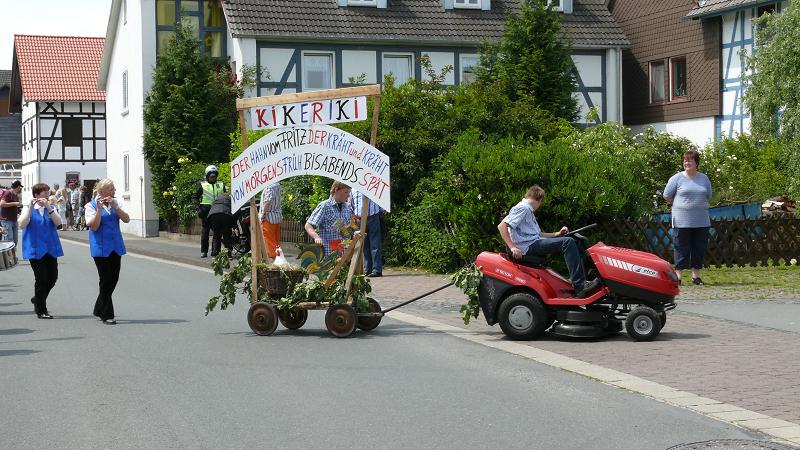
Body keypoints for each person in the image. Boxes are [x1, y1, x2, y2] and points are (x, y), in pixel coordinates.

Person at [498, 185, 600, 298]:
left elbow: (539, 234)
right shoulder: (523, 208)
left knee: (576, 240)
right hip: (528, 247)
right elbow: (502, 226)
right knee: (568, 242)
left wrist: (557, 234)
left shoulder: (528, 210)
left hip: (533, 242)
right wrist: (512, 247)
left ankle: (587, 278)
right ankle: (580, 286)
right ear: (540, 199)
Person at [663, 149, 712, 286]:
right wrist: (678, 204)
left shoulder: (704, 178)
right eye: (685, 160)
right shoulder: (676, 178)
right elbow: (667, 195)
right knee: (681, 248)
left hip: (701, 220)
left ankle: (696, 276)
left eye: (689, 160)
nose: (686, 162)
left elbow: (708, 195)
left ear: (696, 162)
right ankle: (678, 277)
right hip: (681, 220)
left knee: (699, 248)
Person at [85, 179, 130, 325]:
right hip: (100, 248)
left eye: (113, 188)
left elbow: (127, 219)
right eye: (111, 189)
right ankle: (107, 314)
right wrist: (99, 209)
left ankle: (99, 308)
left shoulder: (115, 204)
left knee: (113, 279)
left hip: (116, 246)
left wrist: (116, 207)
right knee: (105, 280)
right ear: (101, 192)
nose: (114, 191)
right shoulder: (90, 206)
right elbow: (94, 227)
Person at [19, 183, 64, 319]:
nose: (46, 194)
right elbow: (22, 223)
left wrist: (48, 207)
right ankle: (41, 309)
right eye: (43, 192)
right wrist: (30, 208)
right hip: (35, 249)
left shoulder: (51, 208)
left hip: (50, 248)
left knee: (52, 278)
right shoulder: (28, 208)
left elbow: (59, 223)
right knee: (41, 279)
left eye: (47, 192)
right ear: (36, 195)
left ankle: (37, 298)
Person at [305, 181, 354, 257]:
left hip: (343, 257)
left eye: (349, 193)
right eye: (346, 192)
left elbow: (350, 231)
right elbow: (308, 225)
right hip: (327, 256)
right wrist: (316, 237)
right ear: (336, 189)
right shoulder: (325, 206)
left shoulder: (348, 208)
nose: (348, 196)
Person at [192, 165, 225, 258]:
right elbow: (194, 197)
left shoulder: (221, 184)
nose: (213, 178)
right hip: (206, 212)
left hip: (218, 211)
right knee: (205, 233)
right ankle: (204, 251)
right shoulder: (202, 185)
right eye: (211, 176)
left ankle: (215, 252)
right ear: (207, 176)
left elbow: (225, 196)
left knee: (217, 233)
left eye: (214, 176)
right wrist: (198, 209)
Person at [350, 190, 384, 277]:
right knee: (364, 245)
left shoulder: (372, 185)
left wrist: (380, 213)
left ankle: (377, 270)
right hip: (359, 219)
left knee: (375, 244)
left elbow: (380, 200)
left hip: (373, 217)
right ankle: (367, 269)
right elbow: (351, 205)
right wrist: (354, 217)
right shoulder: (353, 189)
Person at [206, 192, 234, 257]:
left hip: (213, 216)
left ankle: (215, 253)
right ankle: (228, 254)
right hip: (225, 214)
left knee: (216, 235)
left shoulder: (216, 199)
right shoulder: (229, 198)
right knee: (226, 235)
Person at [259, 183, 282, 259]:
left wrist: (263, 214)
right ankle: (279, 259)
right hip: (276, 217)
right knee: (276, 241)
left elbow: (267, 201)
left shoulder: (269, 187)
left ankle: (275, 262)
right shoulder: (277, 185)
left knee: (269, 241)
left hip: (268, 218)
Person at [1, 180, 24, 255]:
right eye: (20, 187)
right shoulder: (8, 193)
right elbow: (2, 204)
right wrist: (15, 203)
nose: (20, 189)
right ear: (18, 187)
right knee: (9, 239)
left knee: (15, 240)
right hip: (7, 219)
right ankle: (8, 256)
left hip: (13, 219)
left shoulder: (15, 194)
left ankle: (12, 255)